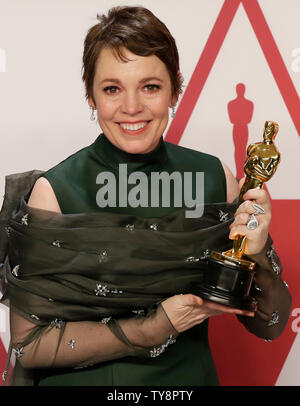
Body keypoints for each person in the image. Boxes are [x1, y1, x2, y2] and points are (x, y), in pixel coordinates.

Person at [0, 6, 291, 386]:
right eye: (112, 89)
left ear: (175, 87)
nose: (132, 107)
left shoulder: (213, 178)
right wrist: (155, 326)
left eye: (150, 86)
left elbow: (271, 324)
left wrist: (259, 252)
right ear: (91, 94)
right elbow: (27, 345)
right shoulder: (54, 192)